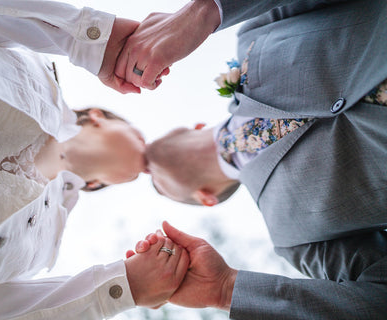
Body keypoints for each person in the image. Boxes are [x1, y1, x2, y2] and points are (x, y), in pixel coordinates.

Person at [0, 2, 187, 319]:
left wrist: (121, 290)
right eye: (138, 135)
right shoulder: (35, 76)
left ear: (97, 184)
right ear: (98, 117)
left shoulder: (42, 246)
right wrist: (90, 39)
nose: (145, 151)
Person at [127, 0, 387, 318]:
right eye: (155, 184)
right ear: (206, 198)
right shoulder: (295, 240)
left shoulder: (252, 31)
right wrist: (224, 289)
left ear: (192, 126)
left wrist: (205, 12)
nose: (142, 170)